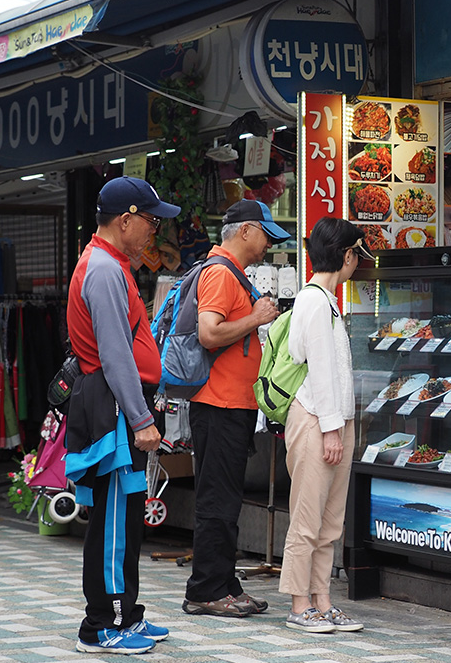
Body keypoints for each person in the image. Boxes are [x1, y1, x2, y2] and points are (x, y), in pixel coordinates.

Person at [65, 176, 180, 654]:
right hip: (114, 411)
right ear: (125, 219)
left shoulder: (109, 264)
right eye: (151, 220)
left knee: (124, 517)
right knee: (114, 519)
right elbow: (115, 356)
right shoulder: (105, 270)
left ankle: (126, 615)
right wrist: (140, 419)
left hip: (115, 407)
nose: (154, 230)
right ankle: (101, 625)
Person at [182, 199, 288, 617]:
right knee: (217, 500)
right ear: (245, 231)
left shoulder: (230, 272)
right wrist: (257, 317)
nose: (267, 246)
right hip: (219, 405)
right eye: (265, 236)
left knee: (224, 499)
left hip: (229, 405)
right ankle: (206, 590)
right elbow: (210, 334)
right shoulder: (222, 274)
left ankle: (224, 583)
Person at [280, 218, 371, 633]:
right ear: (347, 255)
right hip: (318, 420)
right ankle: (300, 605)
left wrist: (340, 425)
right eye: (356, 255)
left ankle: (322, 599)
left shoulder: (324, 300)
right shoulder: (315, 301)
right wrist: (332, 430)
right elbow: (318, 370)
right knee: (308, 515)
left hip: (332, 419)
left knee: (329, 520)